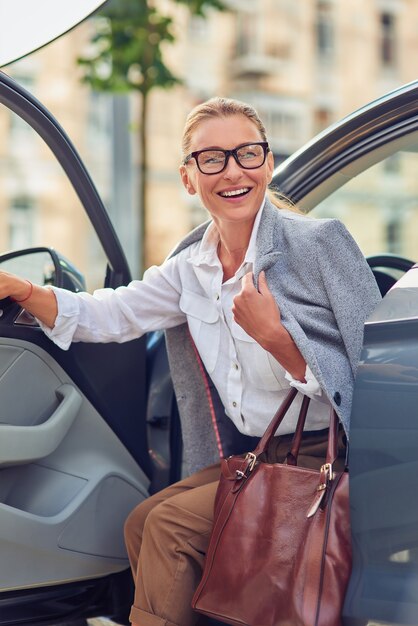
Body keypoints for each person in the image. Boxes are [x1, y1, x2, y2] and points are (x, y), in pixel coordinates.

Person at [0, 97, 381, 626]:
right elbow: (107, 316)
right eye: (212, 159)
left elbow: (379, 368)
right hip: (263, 451)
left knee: (169, 528)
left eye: (248, 153)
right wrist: (19, 288)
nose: (233, 171)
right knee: (140, 521)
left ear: (268, 162)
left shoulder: (319, 243)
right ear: (188, 178)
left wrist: (278, 341)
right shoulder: (190, 268)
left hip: (334, 455)